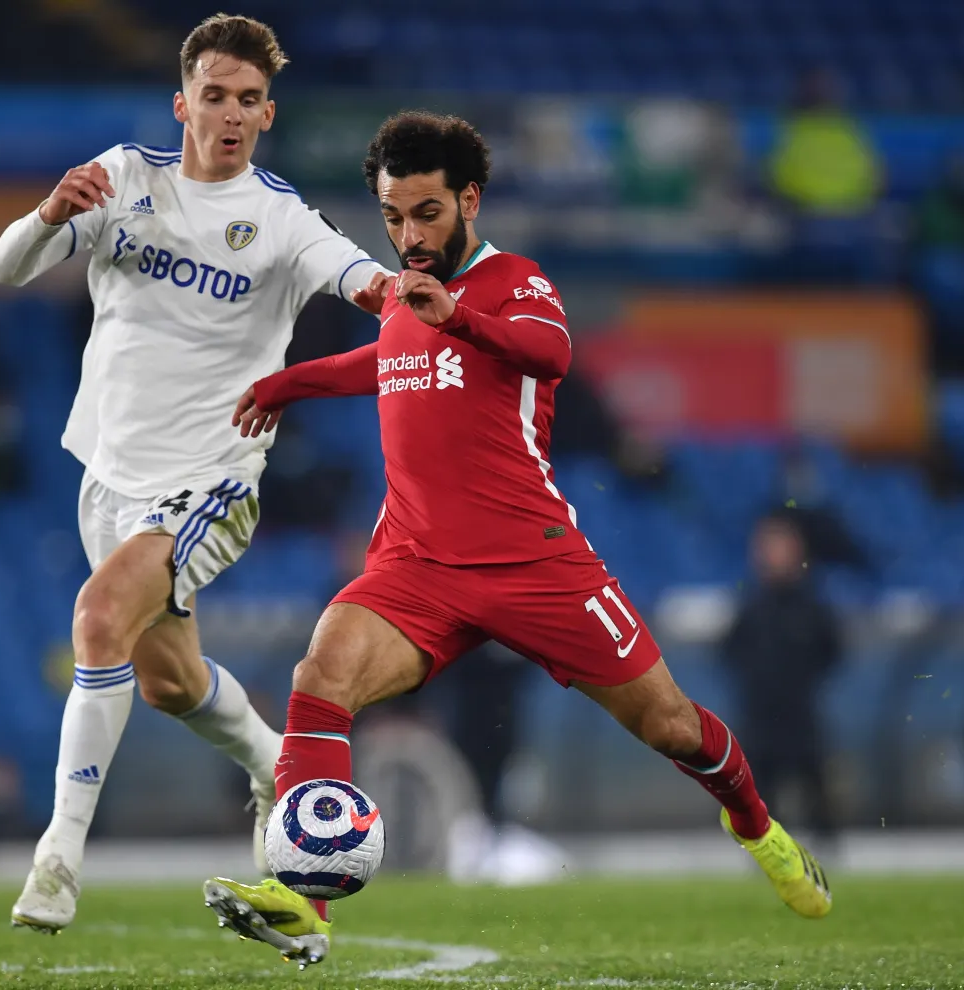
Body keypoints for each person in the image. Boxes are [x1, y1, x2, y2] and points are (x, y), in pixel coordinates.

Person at [202, 112, 832, 968]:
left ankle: (757, 826)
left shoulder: (514, 282)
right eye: (391, 217)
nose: (408, 234)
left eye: (425, 213)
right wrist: (289, 381)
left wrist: (457, 315)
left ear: (468, 199)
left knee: (673, 725)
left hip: (534, 563)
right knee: (322, 674)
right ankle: (306, 901)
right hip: (417, 563)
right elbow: (385, 357)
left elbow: (550, 353)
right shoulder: (403, 300)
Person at [0, 14, 390, 933]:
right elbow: (7, 268)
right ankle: (273, 765)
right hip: (109, 474)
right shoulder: (125, 177)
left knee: (96, 617)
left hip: (211, 483)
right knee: (168, 681)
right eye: (215, 95)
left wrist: (388, 292)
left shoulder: (283, 218)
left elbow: (355, 273)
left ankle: (56, 862)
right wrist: (50, 214)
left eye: (249, 100)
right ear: (183, 103)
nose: (232, 113)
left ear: (269, 113)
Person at [722, 514, 841, 840]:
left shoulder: (812, 606)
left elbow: (831, 651)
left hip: (801, 717)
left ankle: (827, 856)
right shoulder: (751, 606)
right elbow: (730, 652)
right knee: (759, 802)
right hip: (760, 720)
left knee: (816, 794)